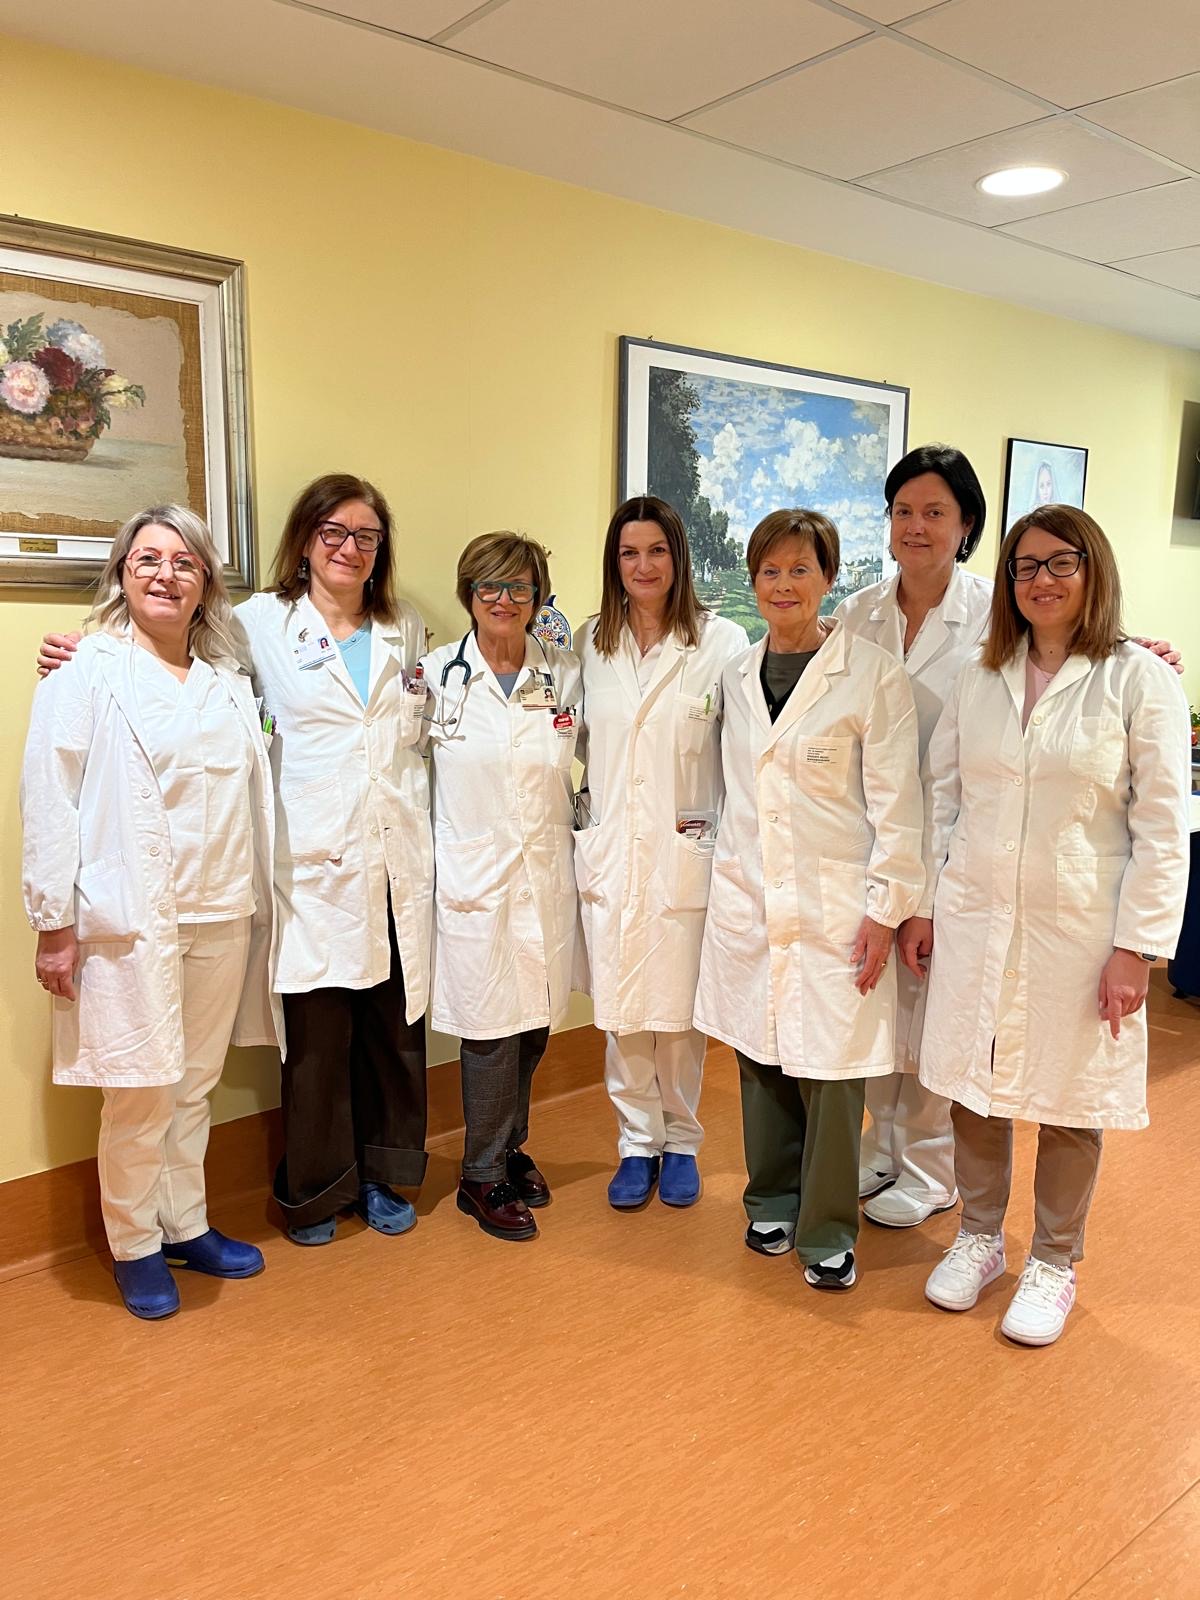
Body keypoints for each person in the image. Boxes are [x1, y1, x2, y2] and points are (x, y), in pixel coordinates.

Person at [40, 475, 434, 1247]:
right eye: (333, 532)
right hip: (305, 860)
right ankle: (314, 1191)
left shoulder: (404, 626)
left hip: (391, 854)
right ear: (305, 540)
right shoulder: (256, 624)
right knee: (316, 1039)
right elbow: (164, 660)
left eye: (366, 536)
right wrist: (79, 650)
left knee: (393, 1028)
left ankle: (385, 1176)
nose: (349, 548)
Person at [840, 442, 1186, 1230]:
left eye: (935, 512)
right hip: (913, 851)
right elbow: (935, 777)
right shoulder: (867, 617)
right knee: (908, 1021)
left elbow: (1157, 821)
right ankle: (897, 1158)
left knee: (1017, 1062)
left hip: (1036, 880)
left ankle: (943, 1178)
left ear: (966, 526)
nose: (916, 525)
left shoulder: (1006, 625)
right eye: (903, 510)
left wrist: (1138, 945)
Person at [903, 506, 1190, 1346]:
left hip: (1080, 927)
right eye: (1024, 566)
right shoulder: (981, 674)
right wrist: (924, 903)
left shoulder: (1140, 680)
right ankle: (981, 1236)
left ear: (1092, 569)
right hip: (976, 914)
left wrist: (1137, 949)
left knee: (1069, 1096)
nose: (1042, 580)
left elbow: (1162, 828)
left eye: (1061, 562)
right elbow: (944, 798)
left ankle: (1055, 1260)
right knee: (975, 1081)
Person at [21, 506, 280, 1320]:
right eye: (148, 560)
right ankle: (134, 1243)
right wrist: (53, 926)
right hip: (132, 920)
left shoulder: (227, 680)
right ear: (122, 574)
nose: (166, 575)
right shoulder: (85, 671)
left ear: (205, 583)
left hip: (222, 910)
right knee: (139, 1092)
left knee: (195, 1085)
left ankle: (185, 1223)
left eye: (184, 562)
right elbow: (49, 800)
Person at [693, 509, 924, 1291]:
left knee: (832, 1071)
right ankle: (771, 1198)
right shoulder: (736, 675)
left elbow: (899, 808)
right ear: (754, 581)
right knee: (760, 1054)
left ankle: (826, 1228)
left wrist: (885, 910)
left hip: (838, 905)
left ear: (829, 578)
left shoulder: (870, 674)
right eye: (770, 571)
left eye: (801, 570)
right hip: (751, 895)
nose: (784, 585)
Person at [575, 496, 747, 1210]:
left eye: (656, 551)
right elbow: (567, 740)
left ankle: (681, 1141)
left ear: (678, 558)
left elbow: (745, 750)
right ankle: (635, 1143)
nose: (643, 566)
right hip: (614, 851)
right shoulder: (590, 642)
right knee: (623, 1012)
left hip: (685, 852)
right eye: (629, 553)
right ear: (613, 563)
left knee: (677, 1015)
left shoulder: (722, 642)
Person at [421, 532, 583, 1242]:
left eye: (519, 587)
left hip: (543, 874)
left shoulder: (563, 673)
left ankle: (511, 1147)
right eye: (490, 585)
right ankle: (480, 1173)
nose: (504, 599)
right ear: (469, 593)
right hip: (474, 879)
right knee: (490, 1031)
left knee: (535, 1025)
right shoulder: (435, 677)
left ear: (538, 596)